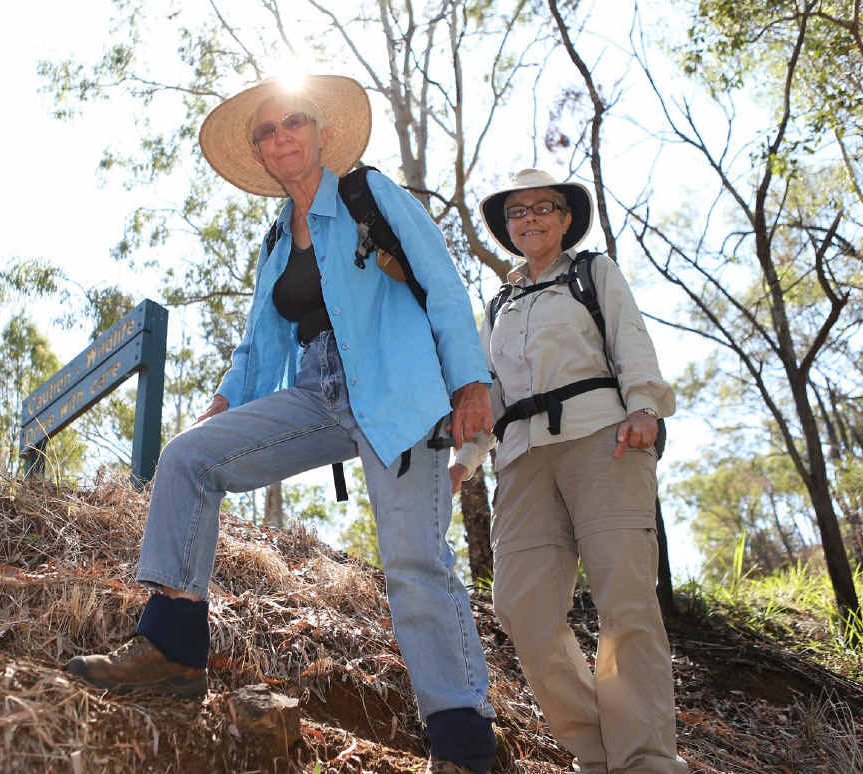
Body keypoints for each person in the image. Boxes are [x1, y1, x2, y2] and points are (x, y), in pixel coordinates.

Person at [66, 75, 498, 774]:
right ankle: (174, 647)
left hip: (400, 392)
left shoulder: (371, 196)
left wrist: (470, 380)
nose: (280, 138)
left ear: (321, 133)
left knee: (415, 562)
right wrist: (225, 403)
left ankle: (463, 743)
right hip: (318, 393)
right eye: (266, 133)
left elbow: (443, 284)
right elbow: (258, 348)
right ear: (261, 156)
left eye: (292, 121)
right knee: (188, 460)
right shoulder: (274, 243)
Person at [450, 169, 687, 774]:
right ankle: (599, 752)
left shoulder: (592, 273)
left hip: (602, 439)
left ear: (564, 217)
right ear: (508, 228)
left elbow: (631, 338)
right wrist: (467, 457)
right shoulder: (499, 305)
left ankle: (646, 759)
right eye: (517, 212)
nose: (529, 219)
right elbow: (486, 391)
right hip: (522, 458)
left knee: (626, 601)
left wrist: (644, 407)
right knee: (520, 606)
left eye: (542, 208)